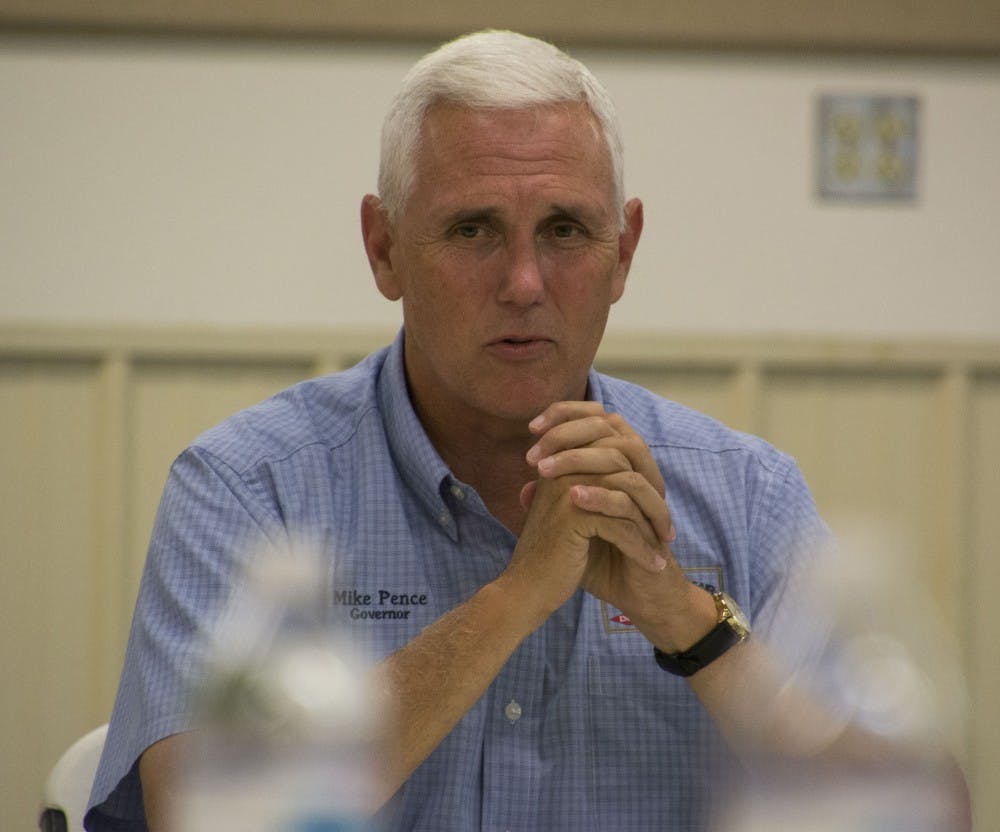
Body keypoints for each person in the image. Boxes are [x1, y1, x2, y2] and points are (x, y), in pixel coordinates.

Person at [87, 29, 845, 832]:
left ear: (623, 254)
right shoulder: (247, 488)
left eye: (565, 230)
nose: (523, 282)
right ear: (384, 248)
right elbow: (204, 816)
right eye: (472, 230)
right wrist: (514, 599)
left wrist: (689, 622)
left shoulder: (748, 495)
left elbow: (900, 808)